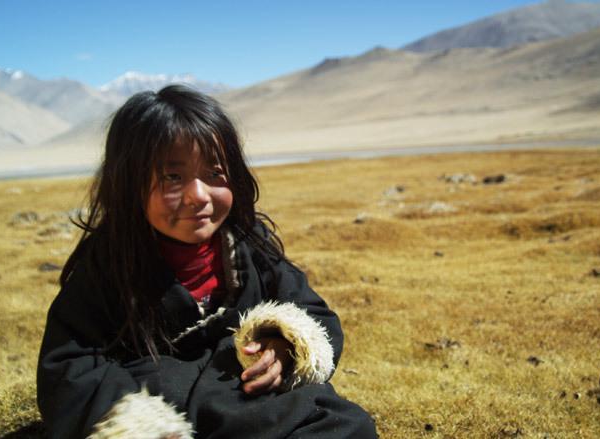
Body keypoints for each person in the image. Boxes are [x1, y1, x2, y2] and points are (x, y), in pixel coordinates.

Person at [36, 85, 377, 438]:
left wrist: (285, 347)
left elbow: (310, 313)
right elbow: (69, 368)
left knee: (349, 427)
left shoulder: (249, 244)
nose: (198, 196)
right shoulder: (107, 266)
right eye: (172, 177)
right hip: (165, 413)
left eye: (215, 174)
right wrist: (135, 423)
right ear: (129, 183)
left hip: (252, 401)